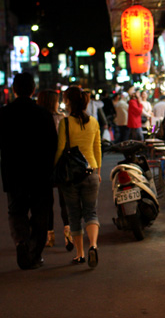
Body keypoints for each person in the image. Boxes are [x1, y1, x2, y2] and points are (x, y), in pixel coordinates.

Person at [0, 73, 58, 270]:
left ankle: (21, 242)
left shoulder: (4, 114)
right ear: (33, 90)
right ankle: (34, 252)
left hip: (14, 173)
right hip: (40, 175)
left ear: (14, 90)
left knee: (16, 211)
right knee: (40, 214)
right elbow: (53, 145)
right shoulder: (43, 114)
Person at [55, 86, 102, 268]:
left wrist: (54, 169)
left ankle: (80, 254)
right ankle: (94, 245)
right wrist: (97, 172)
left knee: (74, 215)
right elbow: (97, 148)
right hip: (90, 172)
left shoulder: (65, 123)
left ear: (68, 101)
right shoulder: (93, 122)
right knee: (91, 212)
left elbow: (60, 149)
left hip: (71, 175)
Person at [36, 89, 73, 252]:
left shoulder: (36, 120)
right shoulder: (62, 119)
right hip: (61, 164)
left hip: (42, 165)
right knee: (64, 200)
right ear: (53, 102)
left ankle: (49, 236)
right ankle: (68, 234)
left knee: (46, 202)